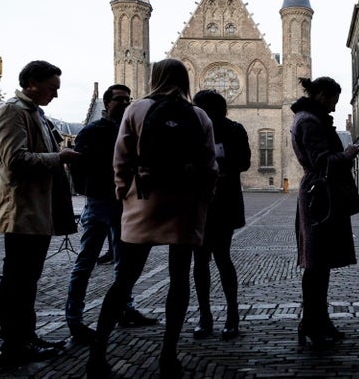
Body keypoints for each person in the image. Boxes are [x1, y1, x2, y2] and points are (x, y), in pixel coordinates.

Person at [87, 59, 218, 378]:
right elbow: (210, 164)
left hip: (144, 201)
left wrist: (124, 193)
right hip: (183, 203)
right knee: (179, 280)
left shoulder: (136, 110)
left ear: (155, 78)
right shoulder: (199, 115)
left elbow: (121, 159)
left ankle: (97, 354)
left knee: (124, 280)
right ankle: (169, 355)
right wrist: (202, 199)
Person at [0, 61, 81, 369]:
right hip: (21, 209)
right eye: (52, 87)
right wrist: (60, 157)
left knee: (28, 280)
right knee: (18, 280)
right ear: (32, 84)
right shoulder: (13, 111)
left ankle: (27, 336)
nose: (55, 94)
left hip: (36, 209)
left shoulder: (34, 113)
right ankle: (14, 345)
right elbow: (15, 160)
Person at [65, 84, 157, 344]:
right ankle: (74, 319)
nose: (126, 103)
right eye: (120, 99)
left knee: (124, 262)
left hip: (123, 204)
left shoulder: (131, 130)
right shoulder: (91, 131)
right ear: (106, 104)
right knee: (85, 262)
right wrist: (90, 192)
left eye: (129, 99)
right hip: (99, 202)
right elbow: (77, 168)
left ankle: (125, 309)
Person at [290, 76, 359, 348]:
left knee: (320, 264)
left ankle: (318, 319)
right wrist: (348, 154)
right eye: (332, 100)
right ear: (321, 95)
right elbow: (322, 162)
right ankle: (312, 321)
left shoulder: (310, 118)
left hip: (320, 193)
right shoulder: (309, 121)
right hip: (318, 196)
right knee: (316, 264)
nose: (334, 107)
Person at [191, 89, 251, 341]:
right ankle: (206, 317)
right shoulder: (191, 131)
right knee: (201, 261)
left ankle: (231, 317)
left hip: (223, 202)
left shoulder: (234, 130)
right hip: (198, 203)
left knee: (222, 258)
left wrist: (216, 167)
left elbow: (244, 163)